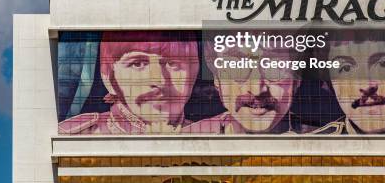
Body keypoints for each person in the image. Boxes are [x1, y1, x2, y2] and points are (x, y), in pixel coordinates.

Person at [58, 31, 200, 134]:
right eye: (138, 64)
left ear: (193, 74)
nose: (160, 80)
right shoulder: (81, 134)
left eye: (172, 63)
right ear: (107, 76)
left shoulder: (206, 134)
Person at [185, 34, 304, 134]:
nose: (257, 89)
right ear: (217, 78)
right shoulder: (189, 141)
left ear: (297, 79)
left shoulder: (321, 142)